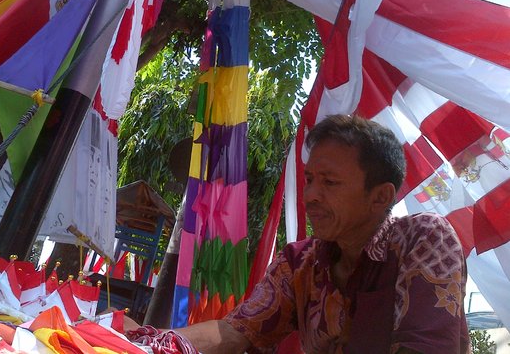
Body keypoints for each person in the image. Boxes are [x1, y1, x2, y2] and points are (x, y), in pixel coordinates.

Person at [173, 114, 470, 354]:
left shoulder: (425, 238)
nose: (310, 195)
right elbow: (236, 330)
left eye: (329, 182)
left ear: (380, 197)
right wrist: (149, 344)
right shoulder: (300, 262)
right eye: (310, 179)